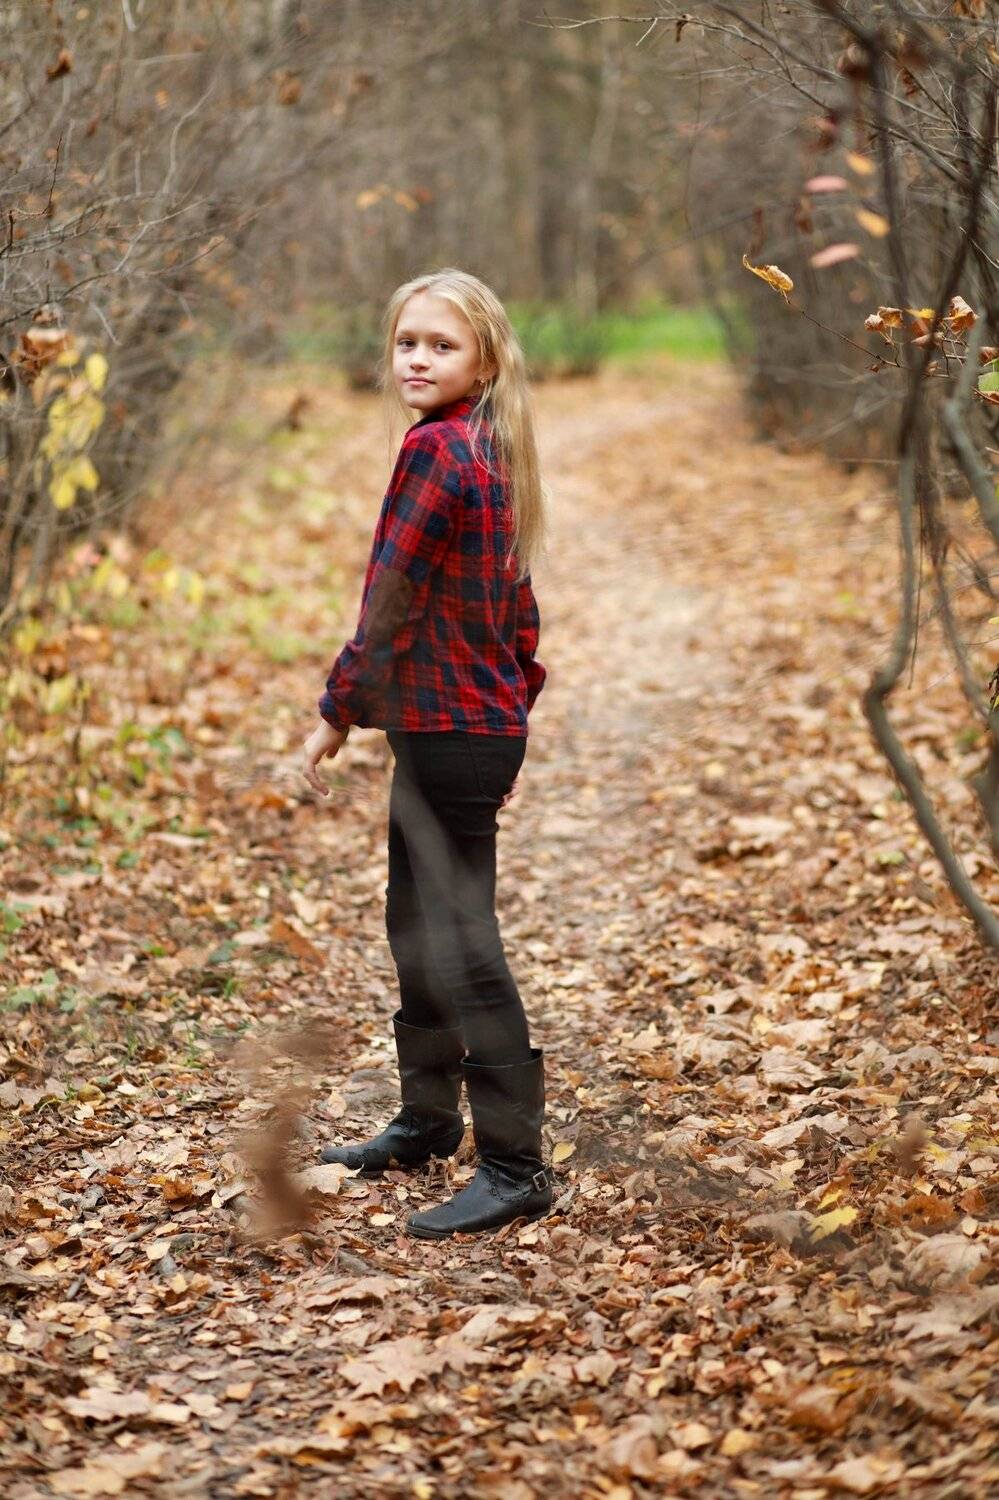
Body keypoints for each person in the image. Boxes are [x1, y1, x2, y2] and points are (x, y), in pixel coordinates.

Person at [301, 268, 553, 1239]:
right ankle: (426, 1120)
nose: (416, 358)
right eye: (407, 342)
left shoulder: (438, 451)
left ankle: (517, 1166)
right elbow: (517, 611)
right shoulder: (485, 443)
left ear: (483, 362)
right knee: (413, 921)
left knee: (458, 937)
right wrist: (508, 706)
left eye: (440, 345)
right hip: (459, 729)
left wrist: (337, 710)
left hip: (454, 733)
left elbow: (390, 599)